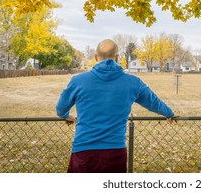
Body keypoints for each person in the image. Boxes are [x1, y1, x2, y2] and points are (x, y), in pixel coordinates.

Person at [56, 39, 175, 173]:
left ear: (96, 57)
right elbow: (153, 102)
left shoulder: (78, 81)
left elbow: (60, 109)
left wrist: (68, 116)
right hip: (115, 152)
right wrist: (169, 113)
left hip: (84, 151)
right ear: (117, 58)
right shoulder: (133, 82)